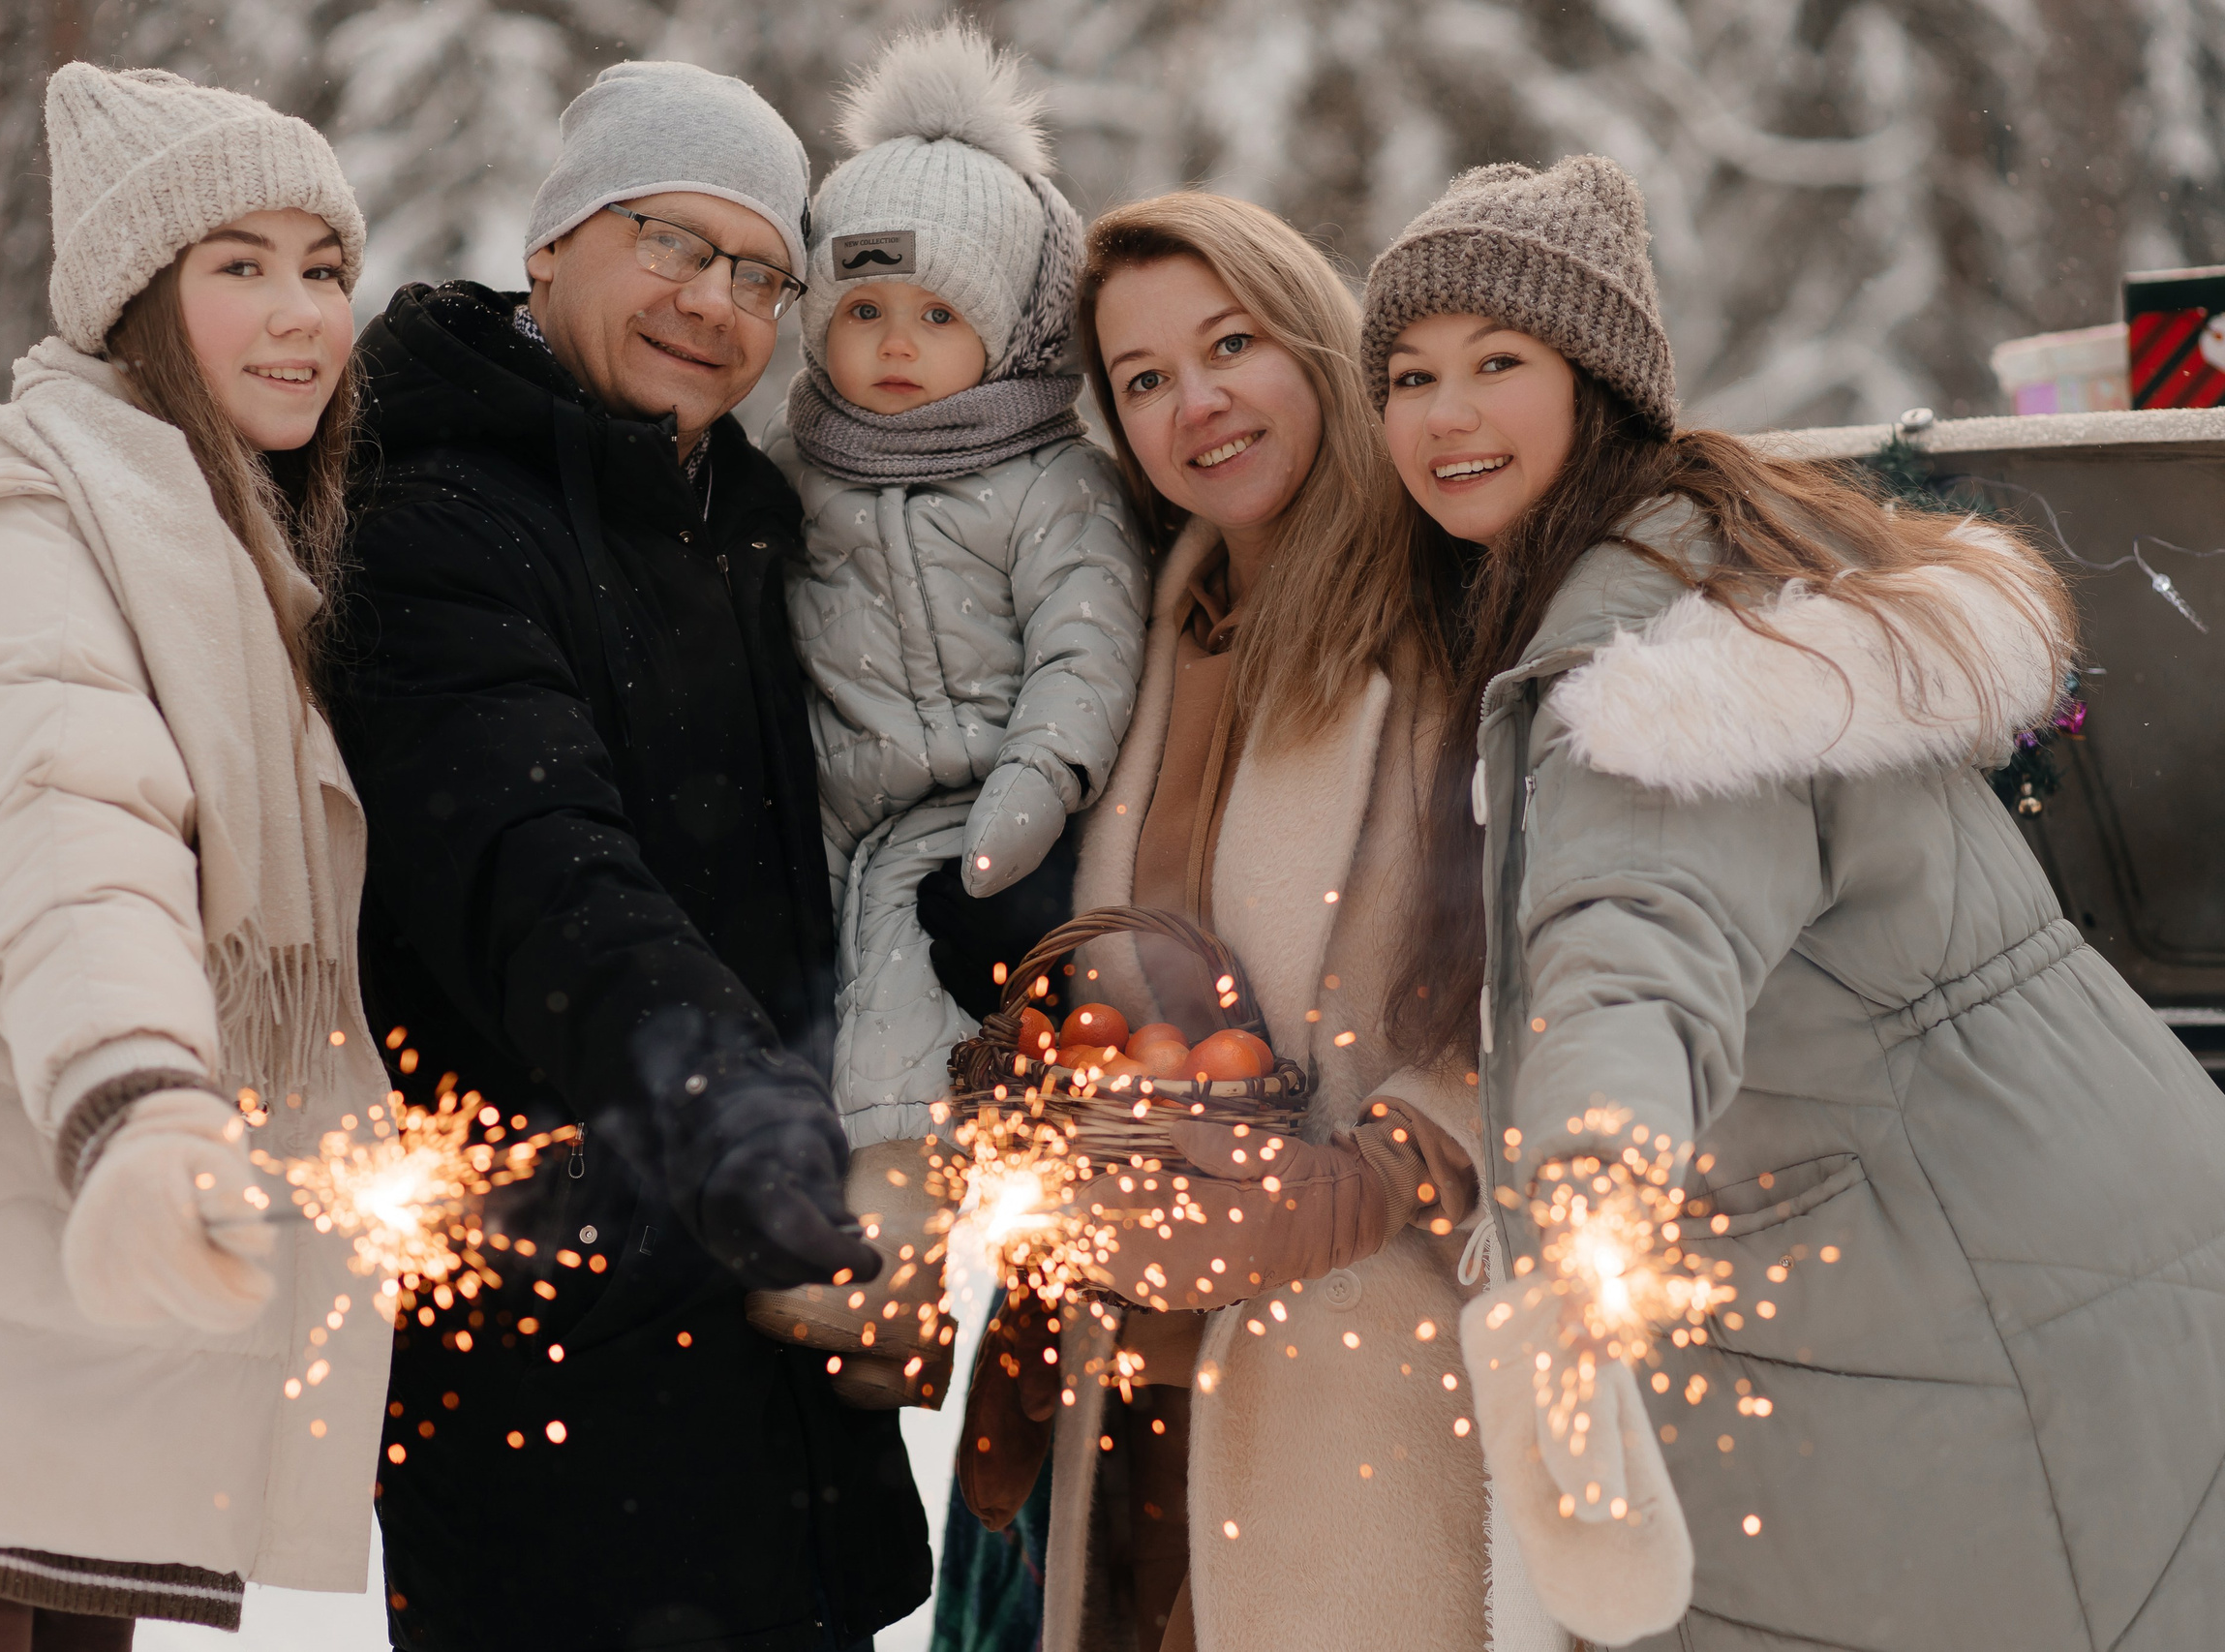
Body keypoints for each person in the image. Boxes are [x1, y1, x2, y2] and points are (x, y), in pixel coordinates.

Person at [1356, 156, 2225, 1649]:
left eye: (1499, 363)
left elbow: (1633, 948)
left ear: (1603, 387)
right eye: (1413, 375)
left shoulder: (1655, 670)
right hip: (2073, 1236)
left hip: (1970, 1305)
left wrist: (1590, 1197)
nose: (1446, 415)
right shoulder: (1724, 559)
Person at [0, 65, 390, 1648]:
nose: (300, 313)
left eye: (323, 267)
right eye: (237, 268)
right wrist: (140, 1095)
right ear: (136, 308)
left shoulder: (226, 553)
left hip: (21, 1388)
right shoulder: (30, 540)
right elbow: (66, 827)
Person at [326, 59, 930, 1651]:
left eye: (759, 275)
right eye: (670, 240)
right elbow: (540, 875)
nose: (713, 302)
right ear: (552, 242)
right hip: (560, 1377)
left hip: (777, 1363)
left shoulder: (743, 515)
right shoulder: (430, 515)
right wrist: (744, 1116)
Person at [954, 192, 1496, 1652]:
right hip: (1139, 1327)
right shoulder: (1166, 619)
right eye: (1141, 379)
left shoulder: (1444, 607)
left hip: (1360, 1338)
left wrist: (1384, 1168)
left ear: (1313, 340)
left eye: (1229, 344)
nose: (1194, 404)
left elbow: (1554, 954)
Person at [750, 21, 1146, 1407]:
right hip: (837, 820)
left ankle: (894, 1283)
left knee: (905, 1043)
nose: (897, 348)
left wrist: (1034, 785)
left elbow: (1088, 644)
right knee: (807, 1032)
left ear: (1013, 325)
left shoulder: (1052, 481)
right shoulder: (796, 471)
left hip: (980, 820)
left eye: (936, 315)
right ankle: (849, 1268)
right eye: (863, 313)